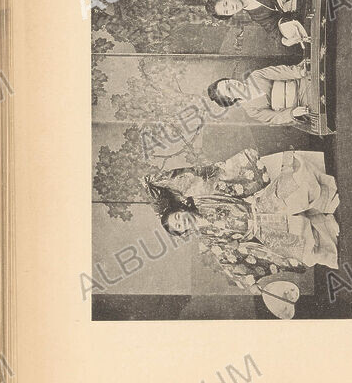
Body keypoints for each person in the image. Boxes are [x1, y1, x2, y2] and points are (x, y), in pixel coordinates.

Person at [145, 148, 340, 290]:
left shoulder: (201, 199)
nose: (181, 221)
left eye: (177, 217)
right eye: (178, 226)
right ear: (182, 232)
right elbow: (226, 257)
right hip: (263, 232)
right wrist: (243, 279)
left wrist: (155, 185)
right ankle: (329, 228)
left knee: (299, 186)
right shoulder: (207, 240)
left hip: (259, 205)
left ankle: (329, 199)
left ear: (180, 210)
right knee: (305, 246)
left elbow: (205, 179)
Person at [207, 63, 317, 127]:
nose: (233, 83)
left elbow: (280, 72)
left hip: (301, 83)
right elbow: (275, 118)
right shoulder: (252, 110)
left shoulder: (255, 76)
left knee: (317, 78)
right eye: (229, 89)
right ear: (230, 99)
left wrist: (299, 73)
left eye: (228, 81)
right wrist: (292, 113)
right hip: (300, 104)